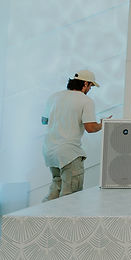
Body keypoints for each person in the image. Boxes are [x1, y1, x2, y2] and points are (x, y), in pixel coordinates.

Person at [41, 69, 109, 201]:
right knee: (70, 196)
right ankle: (64, 222)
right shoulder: (85, 101)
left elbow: (44, 120)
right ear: (85, 84)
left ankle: (44, 219)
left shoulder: (54, 96)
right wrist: (102, 124)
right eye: (90, 86)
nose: (90, 89)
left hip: (49, 150)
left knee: (56, 188)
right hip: (69, 153)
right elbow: (90, 127)